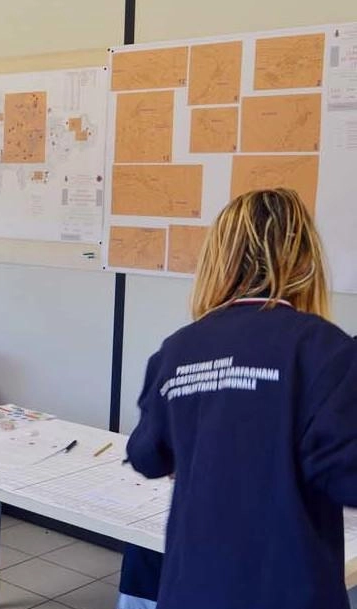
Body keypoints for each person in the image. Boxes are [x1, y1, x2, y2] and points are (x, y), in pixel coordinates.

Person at [126, 188, 357, 609]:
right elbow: (348, 475)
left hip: (191, 589)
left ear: (218, 259)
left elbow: (147, 455)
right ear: (304, 262)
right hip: (290, 591)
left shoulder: (178, 348)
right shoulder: (326, 350)